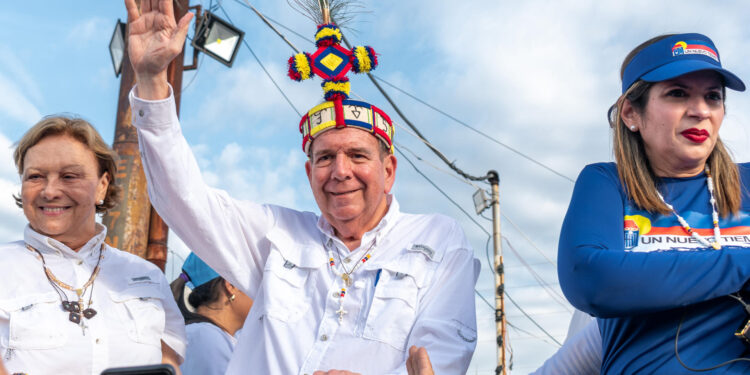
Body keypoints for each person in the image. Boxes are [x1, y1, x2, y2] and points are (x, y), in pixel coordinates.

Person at [123, 0, 479, 374]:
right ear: (309, 173)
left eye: (357, 155)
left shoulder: (436, 239)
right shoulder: (277, 235)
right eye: (325, 158)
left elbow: (439, 359)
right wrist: (150, 80)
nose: (340, 171)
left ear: (388, 170)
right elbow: (183, 200)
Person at [558, 32, 750, 373]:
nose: (701, 111)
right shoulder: (607, 184)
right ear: (631, 112)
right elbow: (590, 279)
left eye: (713, 97)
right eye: (677, 94)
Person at [0, 116, 187, 374]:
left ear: (102, 186)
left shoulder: (149, 277)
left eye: (69, 176)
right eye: (35, 176)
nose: (50, 191)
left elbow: (169, 365)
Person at [171, 253, 252, 375]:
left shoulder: (206, 335)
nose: (261, 293)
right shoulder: (207, 339)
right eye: (256, 283)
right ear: (232, 286)